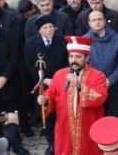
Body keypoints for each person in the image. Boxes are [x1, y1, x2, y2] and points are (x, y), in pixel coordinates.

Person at [37, 36, 108, 155]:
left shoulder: (98, 76)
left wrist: (80, 87)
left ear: (87, 58)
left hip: (88, 126)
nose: (73, 60)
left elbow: (100, 97)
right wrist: (45, 99)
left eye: (78, 57)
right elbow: (51, 93)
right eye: (71, 56)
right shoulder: (59, 74)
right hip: (65, 127)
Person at [23, 15, 68, 153]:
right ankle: (51, 142)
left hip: (62, 84)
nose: (49, 30)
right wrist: (42, 79)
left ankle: (64, 140)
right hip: (43, 85)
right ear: (39, 31)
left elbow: (68, 62)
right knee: (48, 113)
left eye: (50, 27)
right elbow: (29, 65)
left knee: (62, 112)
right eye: (45, 28)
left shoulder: (62, 41)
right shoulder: (31, 44)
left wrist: (61, 78)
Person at [84, 10, 118, 120]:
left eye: (99, 19)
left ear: (104, 21)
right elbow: (83, 63)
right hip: (94, 85)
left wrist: (111, 79)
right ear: (89, 23)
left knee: (116, 114)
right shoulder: (84, 40)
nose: (97, 22)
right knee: (98, 116)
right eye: (94, 20)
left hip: (114, 84)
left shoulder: (117, 38)